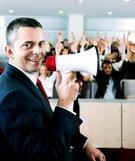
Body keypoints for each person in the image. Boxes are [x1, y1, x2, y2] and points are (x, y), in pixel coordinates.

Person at [0, 17, 106, 161]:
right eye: (27, 45)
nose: (37, 50)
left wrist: (84, 144)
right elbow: (44, 156)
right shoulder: (13, 95)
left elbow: (47, 123)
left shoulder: (25, 82)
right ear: (10, 51)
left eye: (40, 43)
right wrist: (65, 104)